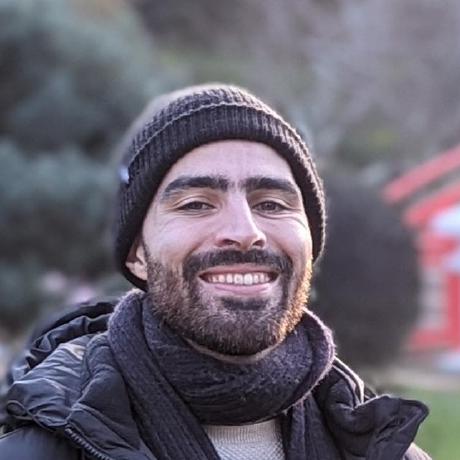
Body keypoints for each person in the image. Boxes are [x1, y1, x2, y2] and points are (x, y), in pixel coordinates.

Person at [0, 84, 430, 459]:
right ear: (137, 255)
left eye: (272, 204)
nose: (245, 232)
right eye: (196, 204)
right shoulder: (38, 450)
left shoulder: (381, 449)